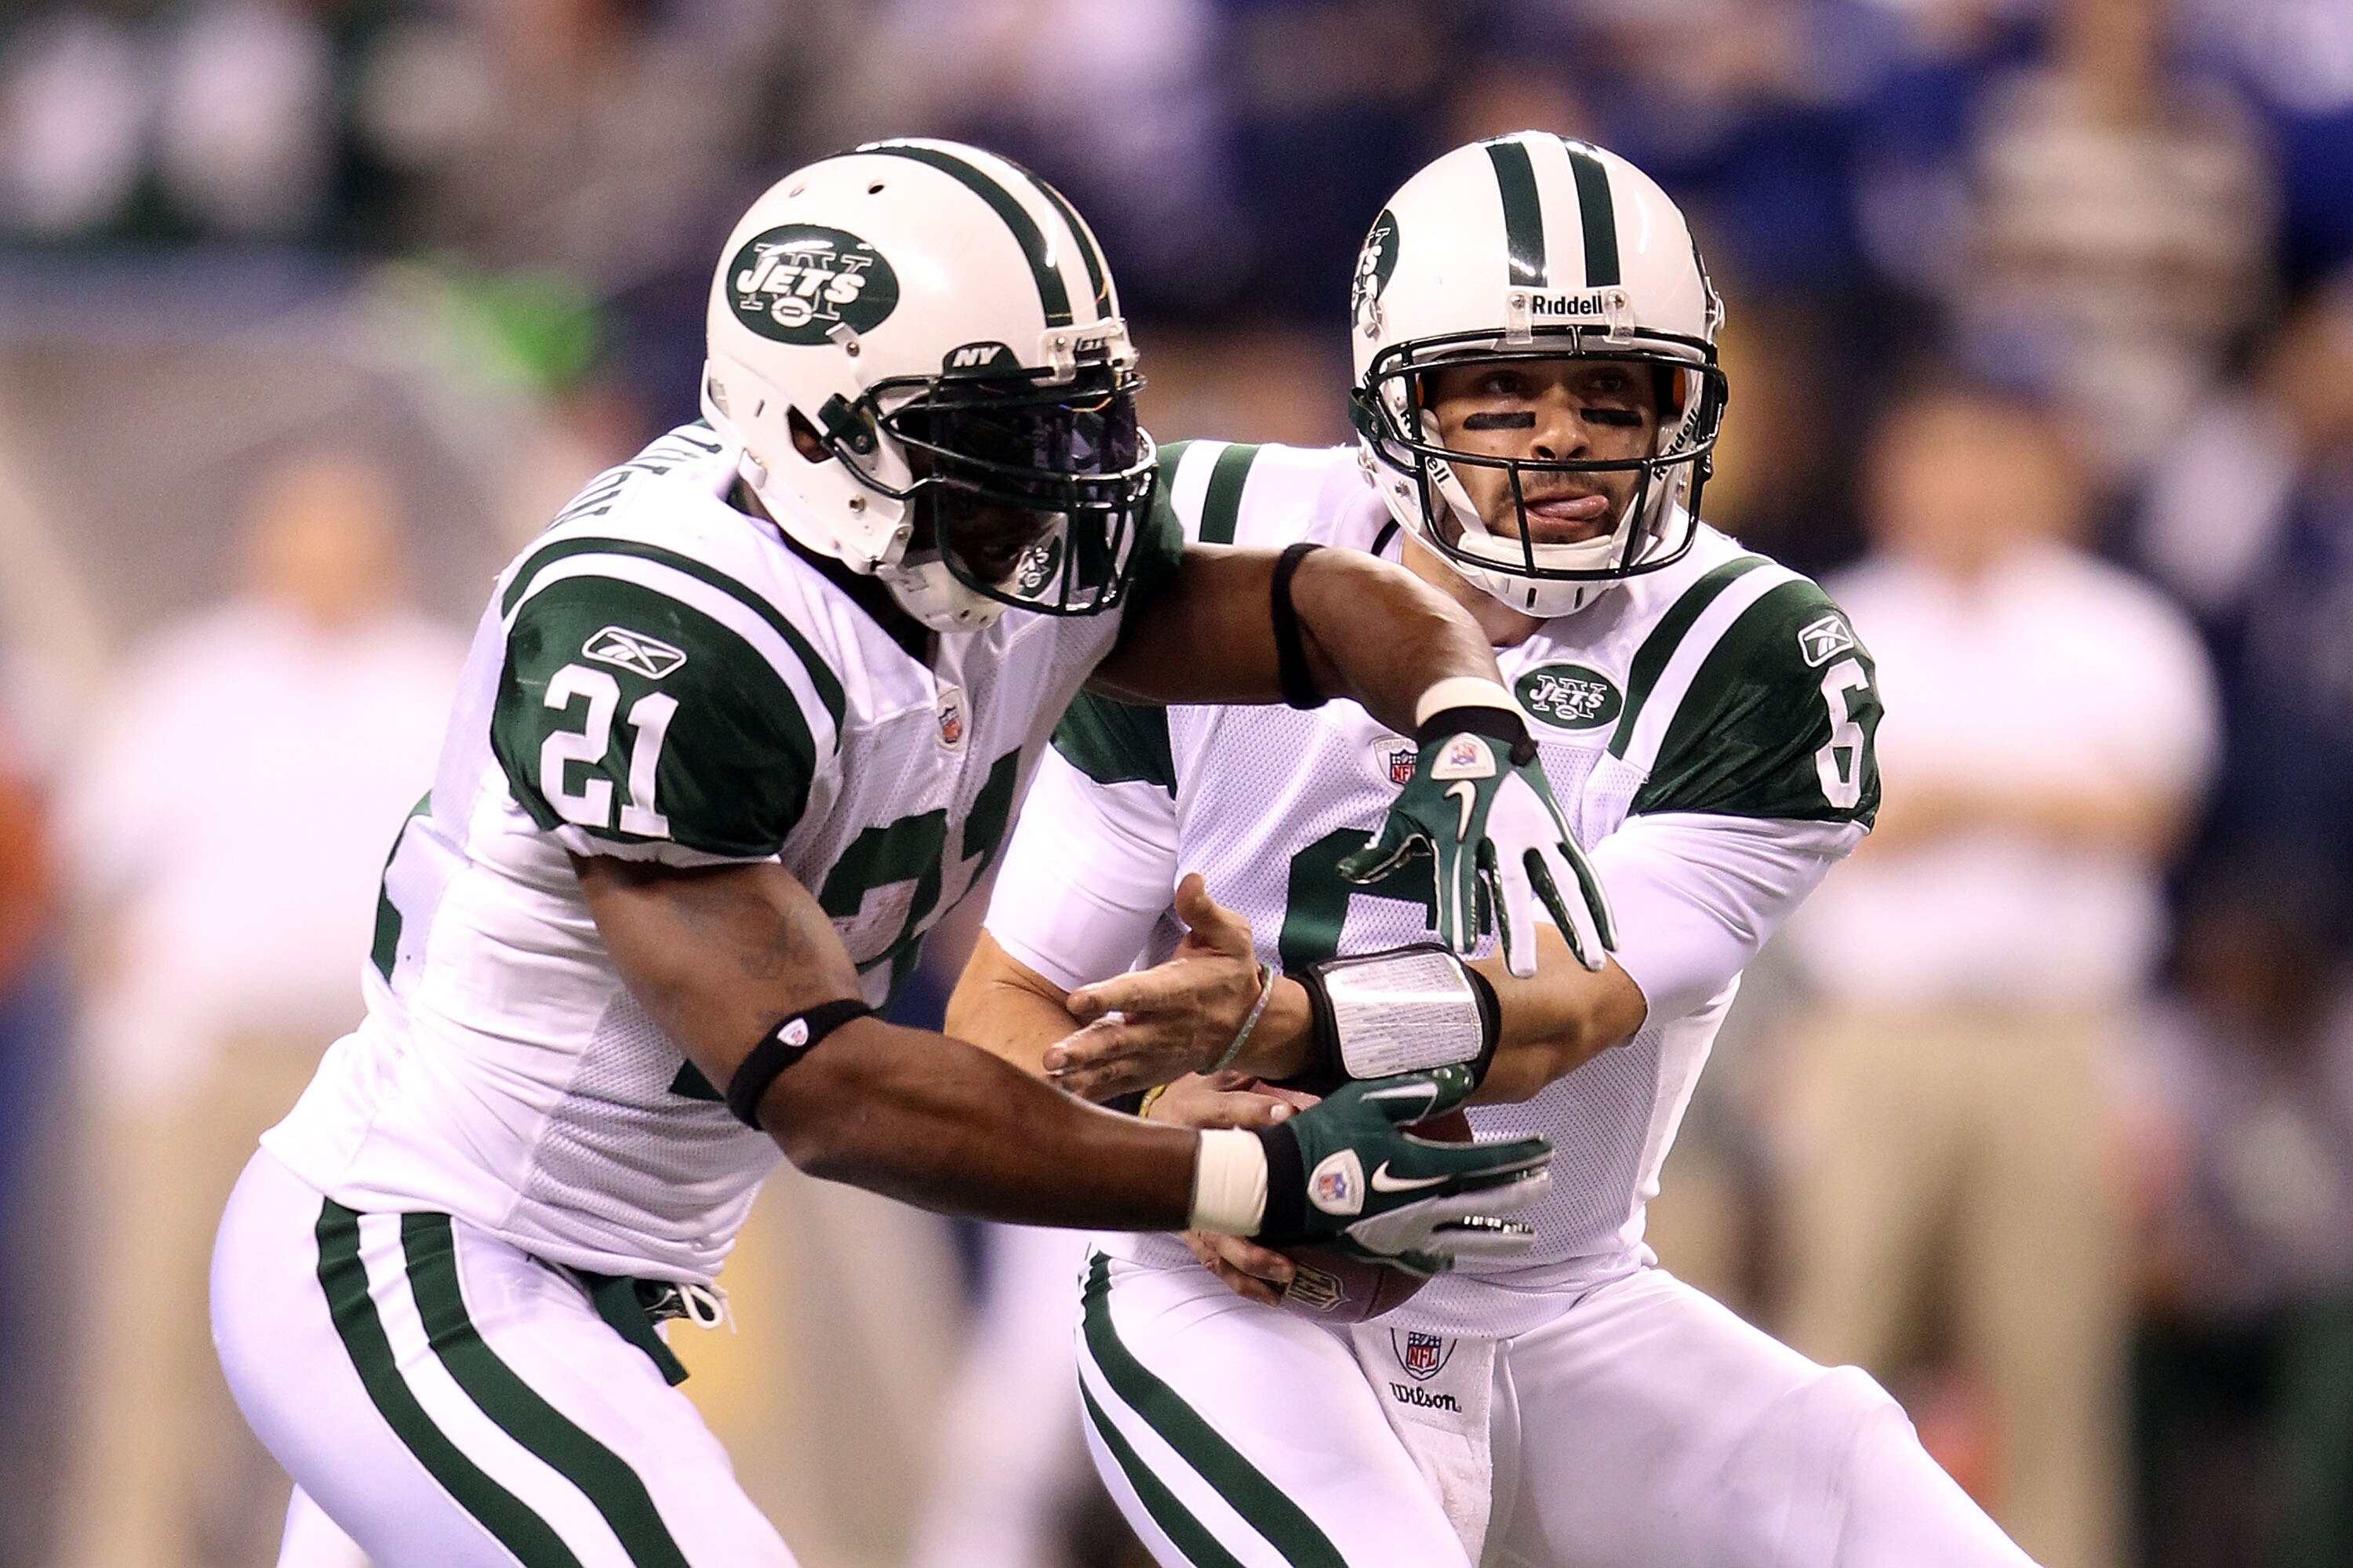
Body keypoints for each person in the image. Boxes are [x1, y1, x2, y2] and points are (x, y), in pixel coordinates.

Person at [209, 138, 1594, 1567]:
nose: (1068, 478)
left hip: (600, 1287)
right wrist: (1236, 1177)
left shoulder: (980, 542)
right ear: (817, 434)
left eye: (1079, 417)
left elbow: (1314, 607)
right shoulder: (672, 632)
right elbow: (833, 1093)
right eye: (1003, 433)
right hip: (422, 1255)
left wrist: (1464, 716)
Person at [951, 133, 2038, 1567]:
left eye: (1611, 393)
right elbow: (1005, 1011)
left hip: (1566, 1305)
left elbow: (1562, 1020)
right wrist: (1170, 1148)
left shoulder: (1754, 653)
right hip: (1227, 1292)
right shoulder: (1212, 546)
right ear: (1394, 402)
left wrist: (1276, 1022)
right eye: (1502, 393)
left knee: (1881, 1508)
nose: (1562, 437)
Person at [1771, 380, 2218, 1568]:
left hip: (2055, 1037)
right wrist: (2026, 797)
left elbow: (2150, 810)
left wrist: (1960, 796)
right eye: (1938, 459)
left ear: (2049, 475)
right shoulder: (1825, 623)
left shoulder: (2120, 628)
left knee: (2056, 1355)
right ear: (1890, 476)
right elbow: (1805, 829)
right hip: (1873, 1032)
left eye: (1991, 459)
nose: (1965, 487)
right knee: (1837, 1341)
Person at [56, 446, 464, 1568]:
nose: (322, 558)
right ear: (259, 544)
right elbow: (93, 873)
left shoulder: (442, 685)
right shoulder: (191, 680)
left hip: (375, 1074)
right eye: (302, 530)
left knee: (365, 1358)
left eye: (346, 533)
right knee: (158, 1352)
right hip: (207, 1062)